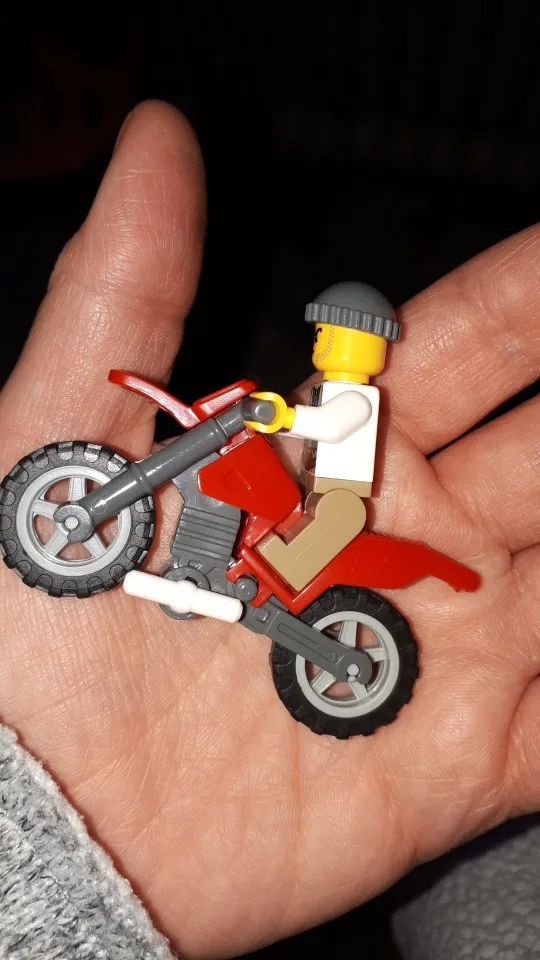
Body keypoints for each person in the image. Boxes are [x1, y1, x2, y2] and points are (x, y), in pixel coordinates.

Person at [0, 100, 538, 959]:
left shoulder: (355, 399)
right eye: (327, 335)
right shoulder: (336, 387)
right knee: (246, 498)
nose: (329, 345)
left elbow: (330, 428)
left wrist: (281, 412)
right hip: (312, 487)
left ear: (364, 346)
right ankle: (219, 567)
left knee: (285, 559)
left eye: (340, 337)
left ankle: (260, 593)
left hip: (340, 508)